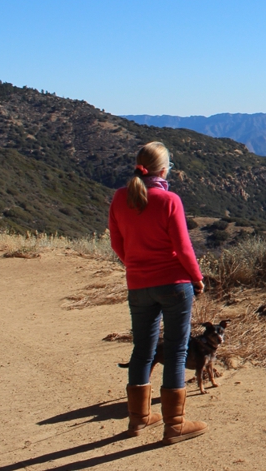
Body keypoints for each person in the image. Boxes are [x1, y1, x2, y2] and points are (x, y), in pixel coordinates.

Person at [108, 141, 208, 444]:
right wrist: (197, 278)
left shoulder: (120, 198)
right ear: (163, 169)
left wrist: (136, 266)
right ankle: (174, 424)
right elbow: (183, 247)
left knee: (142, 350)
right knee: (177, 352)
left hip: (138, 284)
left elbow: (116, 243)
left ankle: (138, 420)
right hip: (174, 284)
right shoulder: (169, 200)